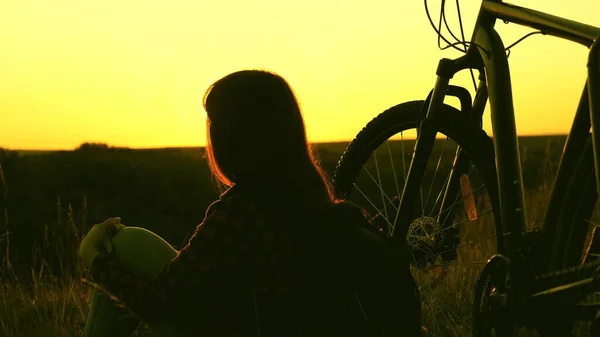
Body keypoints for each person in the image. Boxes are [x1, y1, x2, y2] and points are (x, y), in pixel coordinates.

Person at [79, 69, 420, 337]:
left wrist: (95, 262)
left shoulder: (241, 211)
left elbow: (159, 303)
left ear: (231, 137)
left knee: (124, 245)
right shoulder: (316, 205)